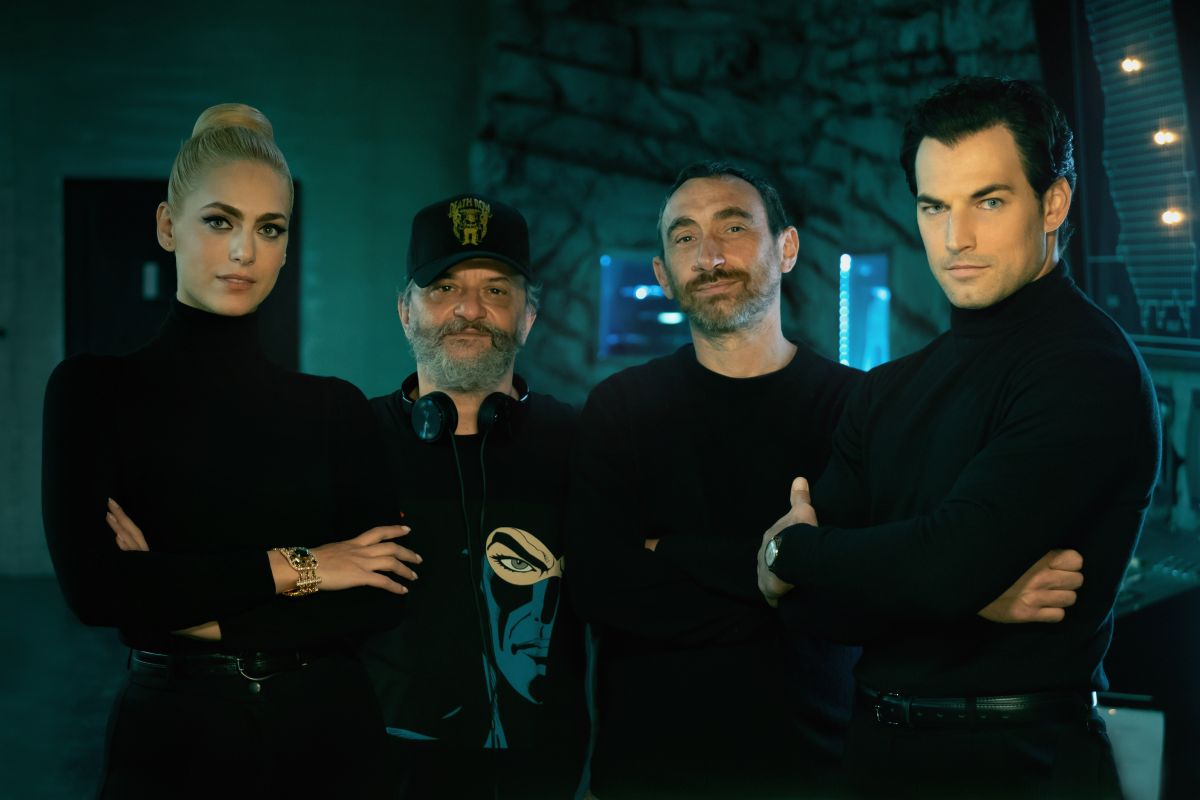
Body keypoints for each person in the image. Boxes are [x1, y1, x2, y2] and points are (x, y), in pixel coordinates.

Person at [757, 77, 1159, 799]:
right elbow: (810, 609)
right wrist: (964, 592)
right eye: (934, 206)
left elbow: (939, 565)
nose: (956, 238)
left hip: (1021, 767)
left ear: (1054, 203)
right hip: (875, 761)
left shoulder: (1086, 367)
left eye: (989, 201)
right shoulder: (887, 389)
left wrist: (791, 551)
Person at [41, 103, 419, 798]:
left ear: (286, 245)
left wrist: (177, 601)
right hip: (174, 741)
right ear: (167, 226)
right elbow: (95, 591)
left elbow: (384, 595)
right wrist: (308, 566)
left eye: (269, 228)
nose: (245, 251)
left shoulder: (334, 407)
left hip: (329, 733)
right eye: (220, 221)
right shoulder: (93, 391)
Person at [358, 195, 589, 799]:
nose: (469, 309)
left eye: (496, 290)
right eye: (444, 288)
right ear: (405, 312)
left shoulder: (580, 442)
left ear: (528, 316)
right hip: (382, 774)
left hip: (543, 778)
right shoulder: (351, 439)